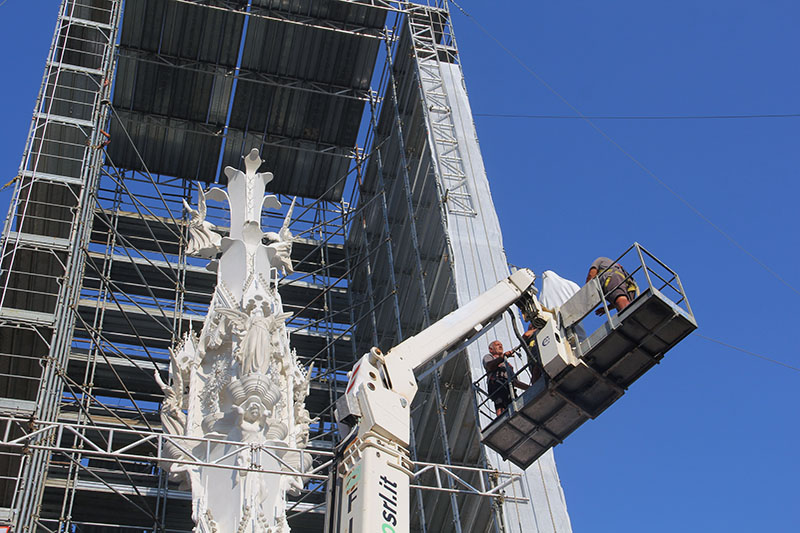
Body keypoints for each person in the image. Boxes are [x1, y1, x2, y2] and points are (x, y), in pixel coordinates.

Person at [483, 340, 529, 416]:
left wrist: (529, 388)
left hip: (508, 386)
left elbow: (515, 382)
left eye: (501, 344)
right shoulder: (489, 357)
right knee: (500, 404)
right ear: (491, 349)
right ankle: (501, 417)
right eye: (497, 345)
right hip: (496, 383)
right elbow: (490, 366)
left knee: (515, 405)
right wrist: (503, 357)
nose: (500, 346)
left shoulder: (507, 365)